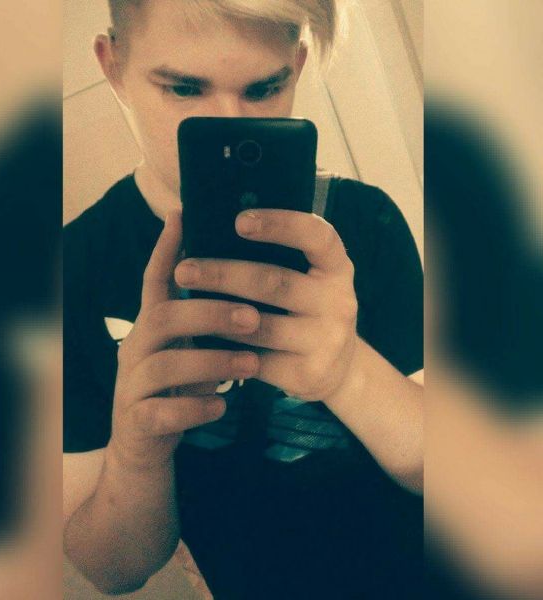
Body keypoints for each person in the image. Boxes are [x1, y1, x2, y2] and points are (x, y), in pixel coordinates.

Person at [63, 1, 424, 598]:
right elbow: (115, 570)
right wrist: (136, 456)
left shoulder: (365, 222)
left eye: (263, 88)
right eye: (184, 88)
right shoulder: (69, 272)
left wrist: (348, 374)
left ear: (296, 68)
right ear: (113, 67)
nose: (227, 123)